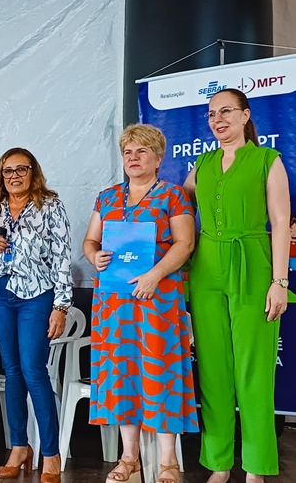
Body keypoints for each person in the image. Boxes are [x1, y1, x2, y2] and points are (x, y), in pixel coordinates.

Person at [183, 89, 290, 483]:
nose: (218, 119)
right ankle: (219, 464)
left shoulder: (267, 160)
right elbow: (177, 205)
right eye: (212, 114)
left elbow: (280, 223)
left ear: (245, 115)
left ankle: (257, 468)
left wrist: (279, 281)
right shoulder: (203, 162)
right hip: (206, 270)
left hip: (253, 266)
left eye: (226, 111)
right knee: (212, 372)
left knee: (254, 372)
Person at [83, 125, 198, 483]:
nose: (133, 158)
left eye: (141, 152)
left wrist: (155, 275)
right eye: (128, 152)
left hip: (157, 300)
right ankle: (128, 457)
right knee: (121, 374)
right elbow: (90, 240)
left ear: (159, 158)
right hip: (113, 303)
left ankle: (168, 461)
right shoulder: (107, 197)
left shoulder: (174, 196)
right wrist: (94, 256)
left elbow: (185, 243)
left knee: (160, 373)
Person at [0, 148, 71, 483]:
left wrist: (61, 307)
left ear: (33, 172)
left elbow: (62, 258)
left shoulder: (50, 205)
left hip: (37, 295)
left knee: (33, 370)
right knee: (11, 371)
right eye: (7, 171)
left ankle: (50, 452)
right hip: (0, 293)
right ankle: (19, 446)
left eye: (21, 169)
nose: (14, 176)